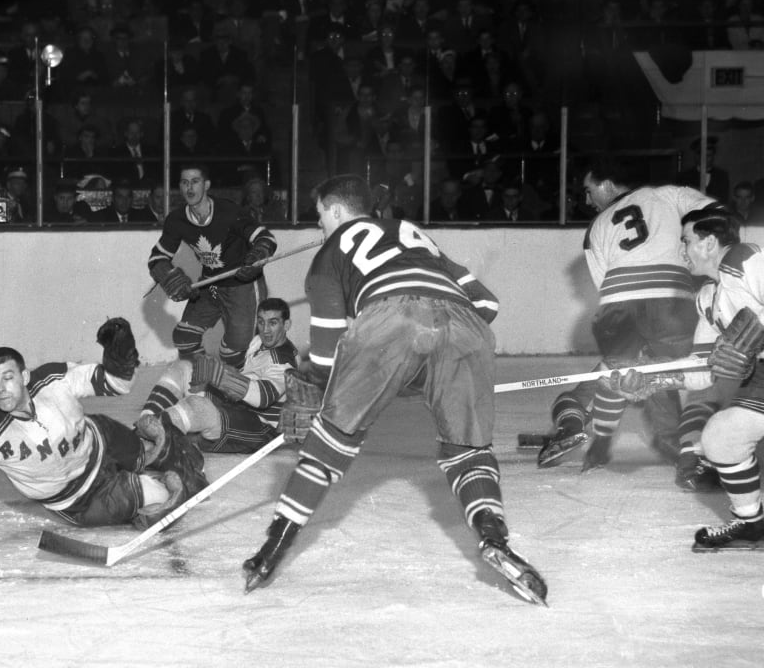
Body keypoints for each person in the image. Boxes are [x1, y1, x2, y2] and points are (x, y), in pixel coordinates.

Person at [240, 173, 547, 605]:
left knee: (329, 446)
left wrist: (352, 379)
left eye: (319, 216)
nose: (319, 227)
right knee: (468, 451)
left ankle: (270, 552)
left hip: (389, 317)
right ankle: (495, 539)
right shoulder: (415, 234)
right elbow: (488, 304)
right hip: (466, 327)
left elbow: (328, 362)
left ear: (336, 211)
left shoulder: (329, 255)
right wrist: (430, 361)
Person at [0, 319, 209, 556]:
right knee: (160, 493)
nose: (0, 390)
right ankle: (161, 491)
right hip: (82, 498)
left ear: (24, 376)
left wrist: (120, 355)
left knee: (151, 451)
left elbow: (117, 384)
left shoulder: (53, 378)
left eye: (8, 378)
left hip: (101, 440)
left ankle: (164, 459)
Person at [538, 158, 719, 479]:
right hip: (672, 301)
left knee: (626, 365)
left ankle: (573, 414)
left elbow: (605, 288)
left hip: (622, 303)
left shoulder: (596, 227)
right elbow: (713, 211)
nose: (587, 200)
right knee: (658, 365)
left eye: (589, 191)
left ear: (608, 185)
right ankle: (676, 443)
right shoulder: (665, 195)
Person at [675, 207, 764, 549]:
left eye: (686, 241)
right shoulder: (709, 299)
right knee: (722, 437)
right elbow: (701, 370)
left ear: (709, 242)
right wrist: (651, 383)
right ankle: (750, 523)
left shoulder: (746, 262)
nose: (682, 251)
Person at [148, 163, 277, 369]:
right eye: (184, 182)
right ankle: (204, 377)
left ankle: (243, 390)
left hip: (242, 288)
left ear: (206, 185)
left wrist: (256, 256)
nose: (189, 188)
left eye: (195, 182)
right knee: (184, 338)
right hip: (211, 287)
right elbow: (157, 259)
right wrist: (170, 277)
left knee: (234, 353)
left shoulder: (230, 211)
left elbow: (266, 238)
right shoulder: (176, 220)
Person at [136, 298, 297, 453]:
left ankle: (149, 435)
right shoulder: (259, 342)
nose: (265, 329)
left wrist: (223, 378)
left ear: (287, 325)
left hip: (259, 427)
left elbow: (263, 396)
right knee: (183, 367)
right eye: (261, 322)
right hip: (236, 406)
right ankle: (144, 424)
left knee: (199, 408)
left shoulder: (284, 362)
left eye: (273, 323)